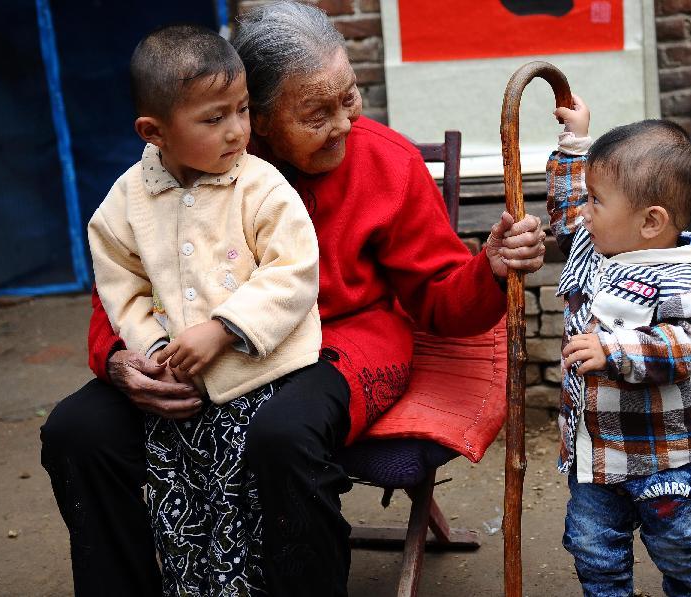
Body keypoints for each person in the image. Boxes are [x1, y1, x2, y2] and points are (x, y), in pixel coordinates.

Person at [40, 3, 547, 596]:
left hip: (346, 340)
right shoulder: (194, 162)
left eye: (350, 99)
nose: (343, 125)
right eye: (315, 113)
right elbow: (128, 275)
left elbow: (440, 302)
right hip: (204, 347)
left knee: (284, 435)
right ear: (255, 113)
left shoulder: (386, 161)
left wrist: (486, 269)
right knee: (78, 431)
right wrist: (119, 360)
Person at [86, 24, 322, 594]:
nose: (238, 130)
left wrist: (224, 329)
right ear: (154, 131)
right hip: (178, 394)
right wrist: (151, 352)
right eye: (214, 119)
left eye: (241, 110)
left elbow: (293, 272)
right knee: (180, 503)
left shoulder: (261, 187)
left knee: (247, 508)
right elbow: (123, 286)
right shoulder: (126, 202)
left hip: (260, 379)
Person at [547, 94, 691, 597]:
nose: (585, 211)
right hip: (597, 458)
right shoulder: (596, 241)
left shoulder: (689, 280)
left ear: (650, 221)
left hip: (667, 460)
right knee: (593, 550)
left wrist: (616, 351)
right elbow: (567, 210)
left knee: (681, 549)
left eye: (597, 200)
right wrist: (576, 143)